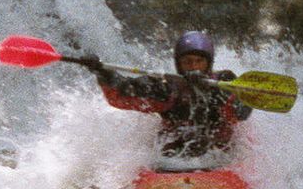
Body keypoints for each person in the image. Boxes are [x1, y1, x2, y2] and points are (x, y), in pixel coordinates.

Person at [76, 31, 252, 161]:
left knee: (217, 147)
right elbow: (123, 93)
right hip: (176, 155)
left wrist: (243, 104)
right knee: (170, 151)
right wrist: (103, 72)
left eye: (199, 61)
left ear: (209, 63)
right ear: (178, 65)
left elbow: (238, 112)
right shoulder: (167, 88)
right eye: (187, 62)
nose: (193, 67)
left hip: (222, 155)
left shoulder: (225, 82)